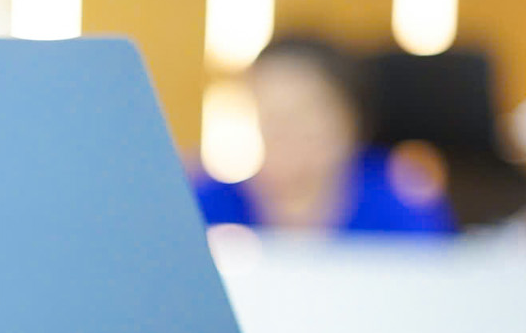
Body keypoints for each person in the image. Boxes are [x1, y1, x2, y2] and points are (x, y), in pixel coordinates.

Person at [193, 36, 457, 235]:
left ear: (350, 120)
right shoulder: (207, 204)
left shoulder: (400, 207)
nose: (285, 132)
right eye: (270, 115)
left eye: (302, 114)